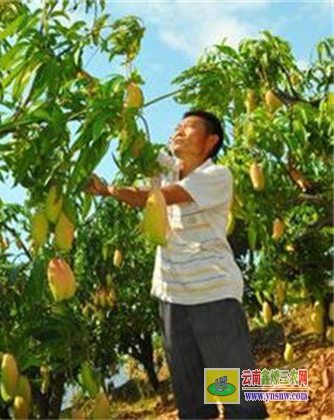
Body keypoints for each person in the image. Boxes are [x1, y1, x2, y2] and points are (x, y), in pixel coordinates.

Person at [85, 110, 268, 419]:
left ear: (211, 141)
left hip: (212, 295)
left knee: (239, 398)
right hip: (172, 297)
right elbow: (133, 136)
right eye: (178, 125)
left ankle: (286, 386)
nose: (179, 130)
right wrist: (98, 91)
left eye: (189, 127)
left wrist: (109, 190)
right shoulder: (168, 169)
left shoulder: (216, 176)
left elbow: (152, 198)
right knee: (193, 402)